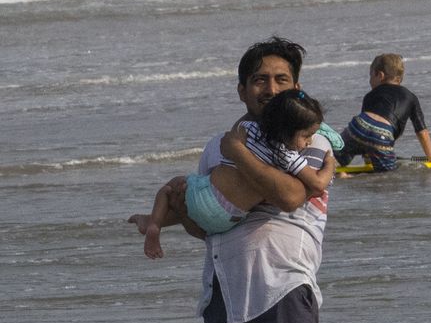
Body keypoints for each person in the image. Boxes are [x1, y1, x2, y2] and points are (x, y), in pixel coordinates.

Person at [190, 38, 339, 323]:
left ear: (297, 88)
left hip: (281, 285)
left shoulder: (312, 138)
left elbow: (290, 194)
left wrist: (235, 149)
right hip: (222, 290)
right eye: (259, 80)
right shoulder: (212, 147)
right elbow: (203, 222)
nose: (270, 89)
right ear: (241, 89)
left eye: (281, 79)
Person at [129, 89, 328, 260]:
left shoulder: (246, 128)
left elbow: (227, 147)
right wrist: (329, 166)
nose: (310, 142)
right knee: (206, 200)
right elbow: (318, 185)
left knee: (170, 189)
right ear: (286, 131)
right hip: (228, 221)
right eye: (306, 136)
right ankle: (153, 221)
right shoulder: (289, 157)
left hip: (203, 199)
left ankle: (154, 224)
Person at [337, 53, 431, 172]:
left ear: (380, 75)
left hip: (357, 126)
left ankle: (338, 170)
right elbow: (422, 132)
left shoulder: (369, 95)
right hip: (382, 134)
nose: (369, 80)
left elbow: (367, 129)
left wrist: (368, 159)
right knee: (388, 176)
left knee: (338, 155)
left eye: (370, 76)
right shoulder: (411, 97)